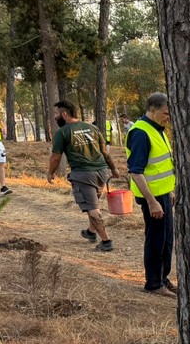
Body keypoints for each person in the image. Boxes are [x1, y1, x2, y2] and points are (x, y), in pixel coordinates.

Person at [48, 101, 119, 252]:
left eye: (56, 114)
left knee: (92, 208)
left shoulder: (63, 132)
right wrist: (113, 169)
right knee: (92, 204)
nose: (55, 117)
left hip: (83, 174)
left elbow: (55, 157)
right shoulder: (92, 128)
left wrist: (50, 173)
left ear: (64, 114)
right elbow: (105, 152)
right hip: (101, 172)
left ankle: (106, 241)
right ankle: (91, 233)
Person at [126, 93, 178, 297]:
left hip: (163, 195)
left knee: (166, 241)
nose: (168, 117)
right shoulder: (140, 133)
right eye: (166, 113)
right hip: (153, 198)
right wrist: (152, 201)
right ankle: (154, 283)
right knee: (156, 240)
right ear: (153, 109)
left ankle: (162, 277)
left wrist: (169, 190)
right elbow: (136, 171)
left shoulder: (158, 129)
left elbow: (160, 166)